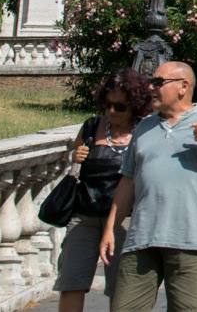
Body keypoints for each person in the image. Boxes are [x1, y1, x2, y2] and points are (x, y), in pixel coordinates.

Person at [100, 61, 197, 312]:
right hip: (141, 238)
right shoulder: (144, 127)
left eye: (158, 82)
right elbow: (128, 181)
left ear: (183, 86)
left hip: (190, 239)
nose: (150, 87)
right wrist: (110, 228)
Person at [54, 69, 151, 312]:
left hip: (123, 220)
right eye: (107, 104)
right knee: (71, 281)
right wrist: (74, 156)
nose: (111, 111)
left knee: (121, 288)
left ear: (135, 105)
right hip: (84, 216)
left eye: (119, 107)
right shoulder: (91, 126)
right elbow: (71, 158)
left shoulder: (145, 130)